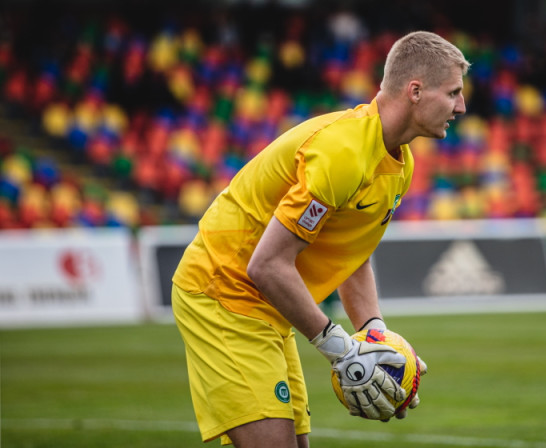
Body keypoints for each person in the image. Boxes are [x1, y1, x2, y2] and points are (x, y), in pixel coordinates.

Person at [171, 30, 470, 448]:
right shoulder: (342, 153)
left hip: (266, 305)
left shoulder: (400, 163)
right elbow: (267, 265)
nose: (462, 105)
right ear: (416, 91)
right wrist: (342, 351)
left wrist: (377, 341)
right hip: (223, 291)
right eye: (453, 92)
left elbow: (352, 254)